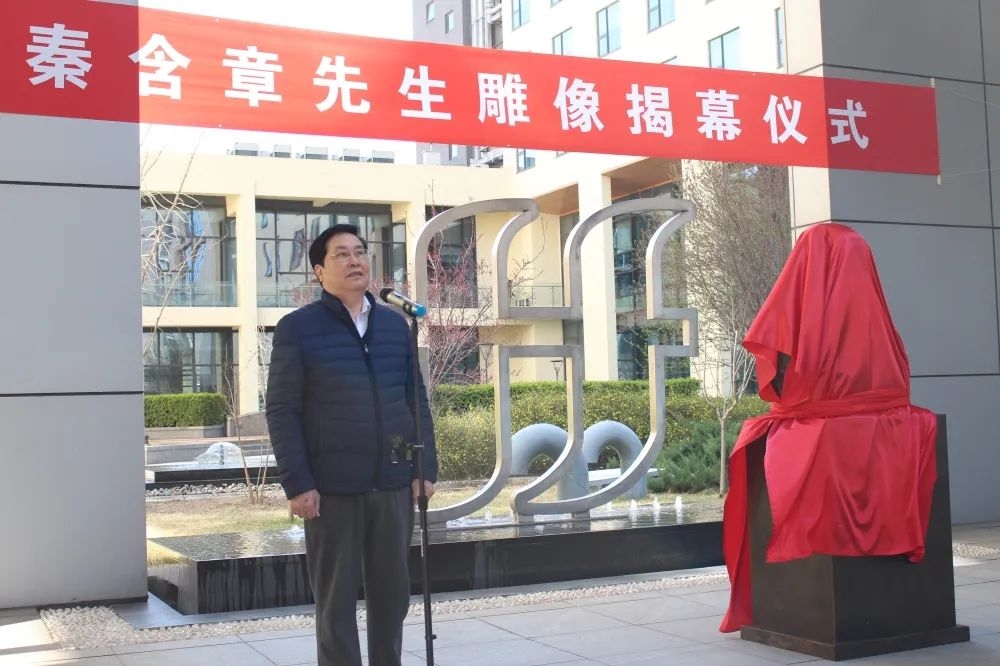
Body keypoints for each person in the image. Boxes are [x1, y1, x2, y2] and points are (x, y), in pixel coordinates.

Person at [265, 223, 437, 665]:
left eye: (360, 252)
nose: (355, 260)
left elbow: (415, 400)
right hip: (331, 488)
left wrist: (425, 469)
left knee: (392, 598)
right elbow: (282, 410)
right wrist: (298, 483)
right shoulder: (298, 328)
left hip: (392, 482)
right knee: (336, 605)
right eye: (341, 254)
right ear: (319, 271)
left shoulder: (395, 325)